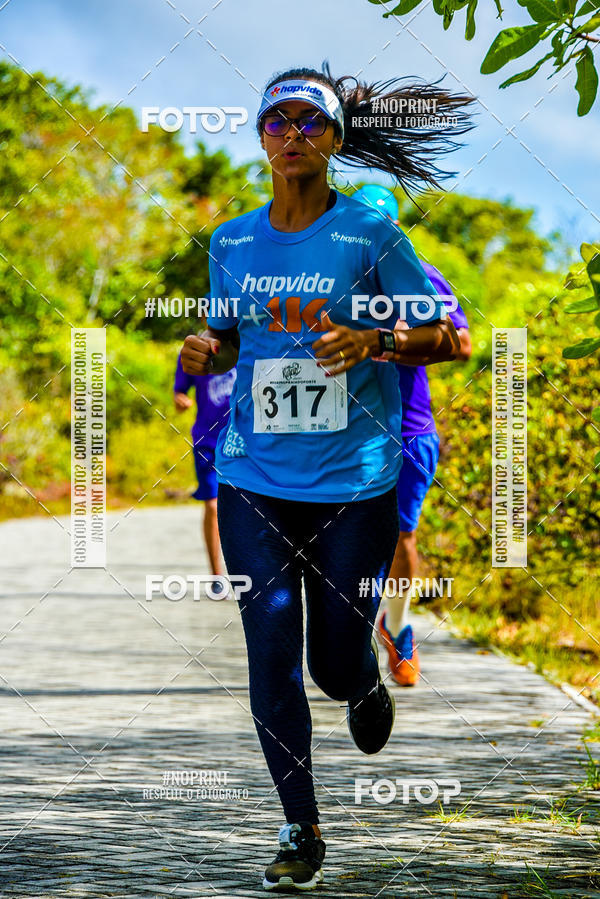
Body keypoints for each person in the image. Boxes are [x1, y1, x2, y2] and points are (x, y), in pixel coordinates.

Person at [181, 63, 474, 892]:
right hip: (253, 476)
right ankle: (299, 826)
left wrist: (375, 342)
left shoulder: (371, 238)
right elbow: (231, 339)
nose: (294, 135)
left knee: (331, 661)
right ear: (260, 138)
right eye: (280, 122)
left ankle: (362, 679)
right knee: (269, 646)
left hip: (357, 480)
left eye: (312, 122)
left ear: (337, 139)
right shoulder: (233, 242)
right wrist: (209, 350)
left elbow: (444, 337)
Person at [353, 184, 472, 686]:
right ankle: (346, 641)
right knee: (339, 542)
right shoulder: (329, 278)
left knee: (402, 537)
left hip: (408, 430)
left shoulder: (420, 278)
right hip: (344, 434)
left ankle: (396, 628)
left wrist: (392, 343)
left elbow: (462, 343)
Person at [173, 353, 236, 592]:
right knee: (212, 506)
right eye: (207, 313)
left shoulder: (248, 340)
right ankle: (217, 576)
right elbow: (180, 391)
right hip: (207, 441)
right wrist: (180, 401)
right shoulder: (193, 350)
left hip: (245, 442)